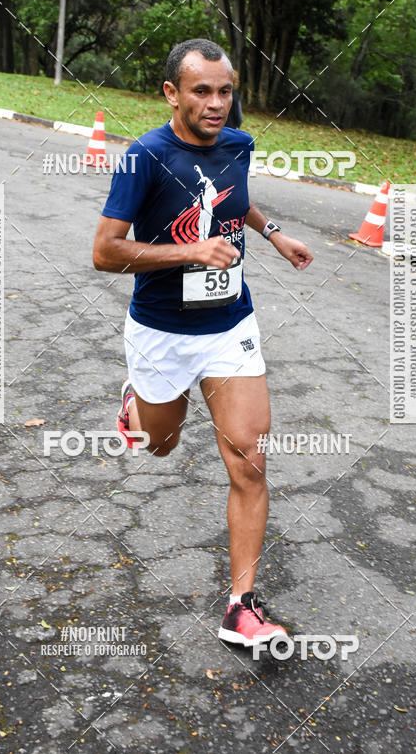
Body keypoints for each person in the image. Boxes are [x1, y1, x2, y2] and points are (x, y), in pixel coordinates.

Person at [92, 38, 313, 647]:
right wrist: (190, 250)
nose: (217, 104)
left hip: (230, 326)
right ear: (172, 93)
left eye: (225, 91)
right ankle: (136, 409)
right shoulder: (143, 157)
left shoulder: (237, 145)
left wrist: (274, 233)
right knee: (159, 445)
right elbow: (105, 253)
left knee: (250, 457)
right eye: (202, 92)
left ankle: (242, 605)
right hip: (161, 332)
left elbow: (234, 203)